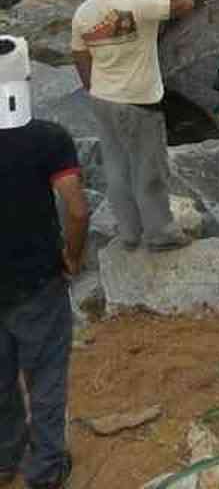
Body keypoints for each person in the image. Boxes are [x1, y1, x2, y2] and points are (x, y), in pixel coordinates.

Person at [0, 35, 89, 489]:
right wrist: (73, 256)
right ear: (27, 78)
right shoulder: (49, 139)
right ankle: (46, 469)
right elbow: (75, 208)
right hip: (37, 281)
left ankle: (4, 457)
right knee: (46, 378)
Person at [71, 0, 194, 251]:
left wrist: (93, 87)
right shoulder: (140, 4)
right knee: (149, 169)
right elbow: (186, 3)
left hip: (103, 98)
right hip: (139, 101)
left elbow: (79, 54)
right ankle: (160, 233)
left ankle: (128, 232)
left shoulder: (84, 11)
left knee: (116, 168)